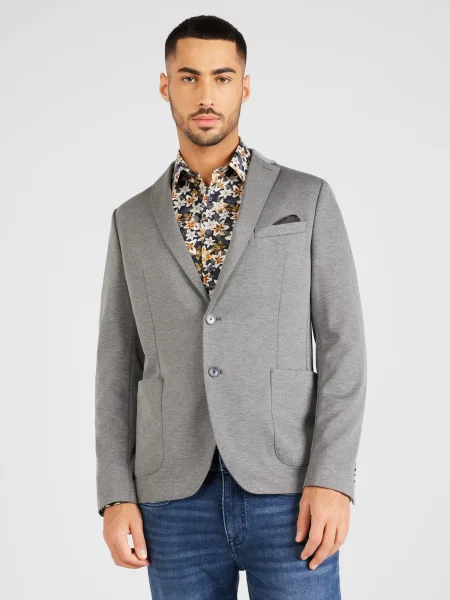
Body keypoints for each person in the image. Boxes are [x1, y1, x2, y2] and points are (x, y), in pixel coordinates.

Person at [95, 14, 367, 600]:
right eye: (189, 77)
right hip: (172, 499)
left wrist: (333, 478)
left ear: (244, 86)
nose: (206, 95)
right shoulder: (131, 220)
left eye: (221, 77)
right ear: (165, 86)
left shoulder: (306, 198)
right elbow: (117, 365)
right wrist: (115, 495)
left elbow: (343, 345)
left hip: (289, 492)